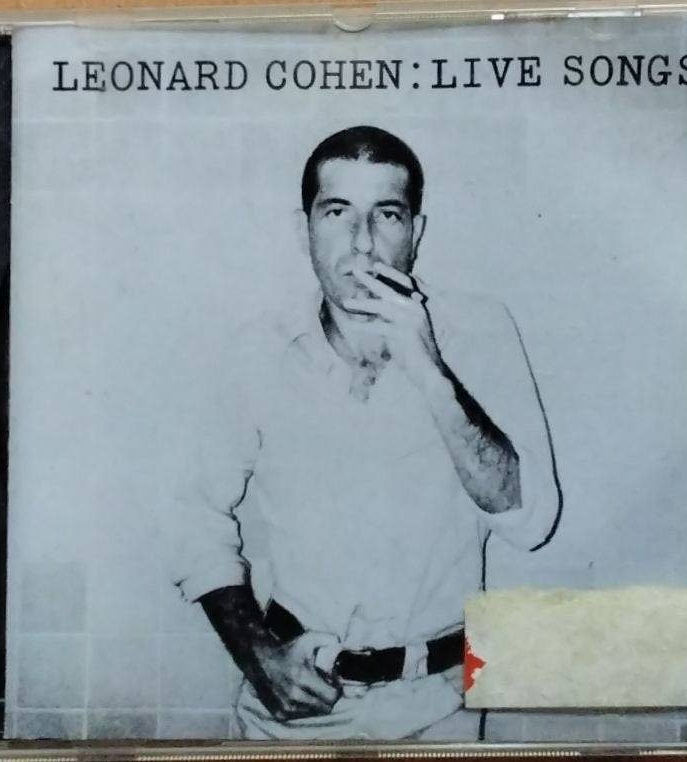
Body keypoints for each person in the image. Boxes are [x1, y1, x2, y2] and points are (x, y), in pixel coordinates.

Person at [170, 125, 562, 741]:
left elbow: (530, 522)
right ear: (304, 228)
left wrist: (429, 369)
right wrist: (256, 654)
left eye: (387, 214)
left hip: (443, 706)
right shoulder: (257, 352)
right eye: (337, 213)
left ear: (416, 231)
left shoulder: (481, 333)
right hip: (296, 705)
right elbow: (192, 512)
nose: (362, 242)